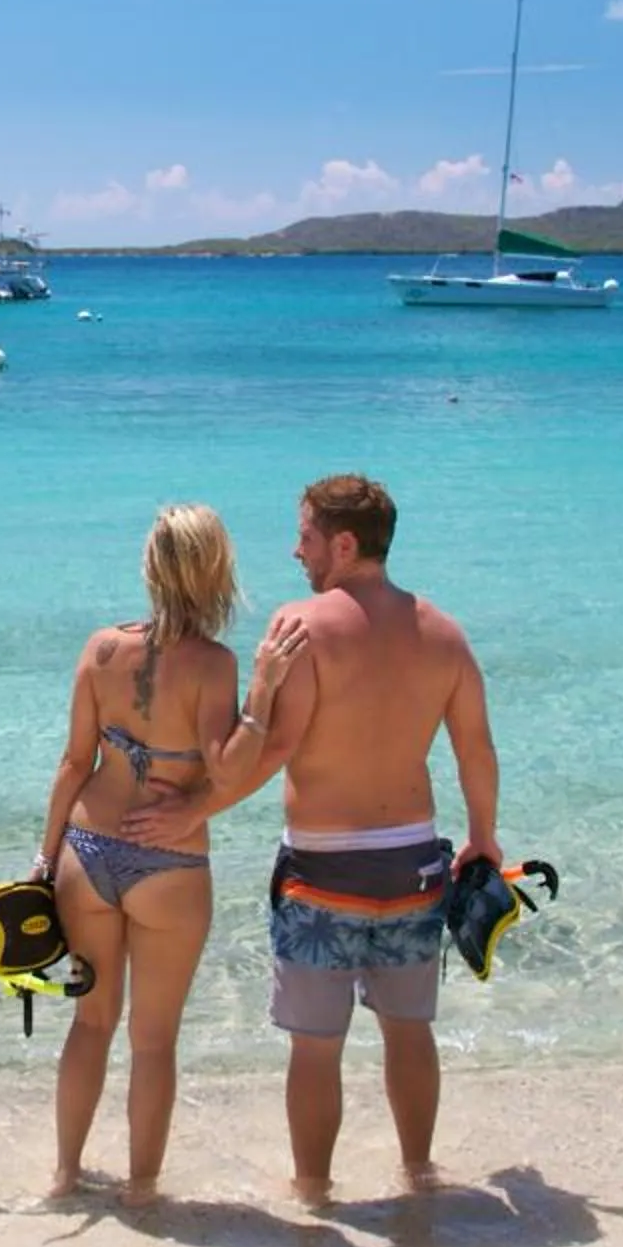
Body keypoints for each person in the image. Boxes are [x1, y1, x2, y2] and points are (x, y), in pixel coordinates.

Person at [124, 473, 501, 1204]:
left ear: (345, 544)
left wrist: (194, 811)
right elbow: (476, 750)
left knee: (316, 1049)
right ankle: (419, 1176)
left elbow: (270, 750)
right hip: (414, 865)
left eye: (306, 536)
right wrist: (483, 837)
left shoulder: (301, 627)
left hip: (323, 872)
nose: (296, 551)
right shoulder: (444, 634)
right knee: (410, 1031)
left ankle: (314, 1192)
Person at [31, 503, 298, 1205]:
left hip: (87, 851)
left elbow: (73, 764)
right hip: (169, 863)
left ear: (151, 567)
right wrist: (264, 690)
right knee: (152, 1042)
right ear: (215, 572)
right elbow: (228, 768)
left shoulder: (100, 650)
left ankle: (65, 1175)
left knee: (90, 1023)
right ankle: (142, 1191)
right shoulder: (215, 664)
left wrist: (43, 862)